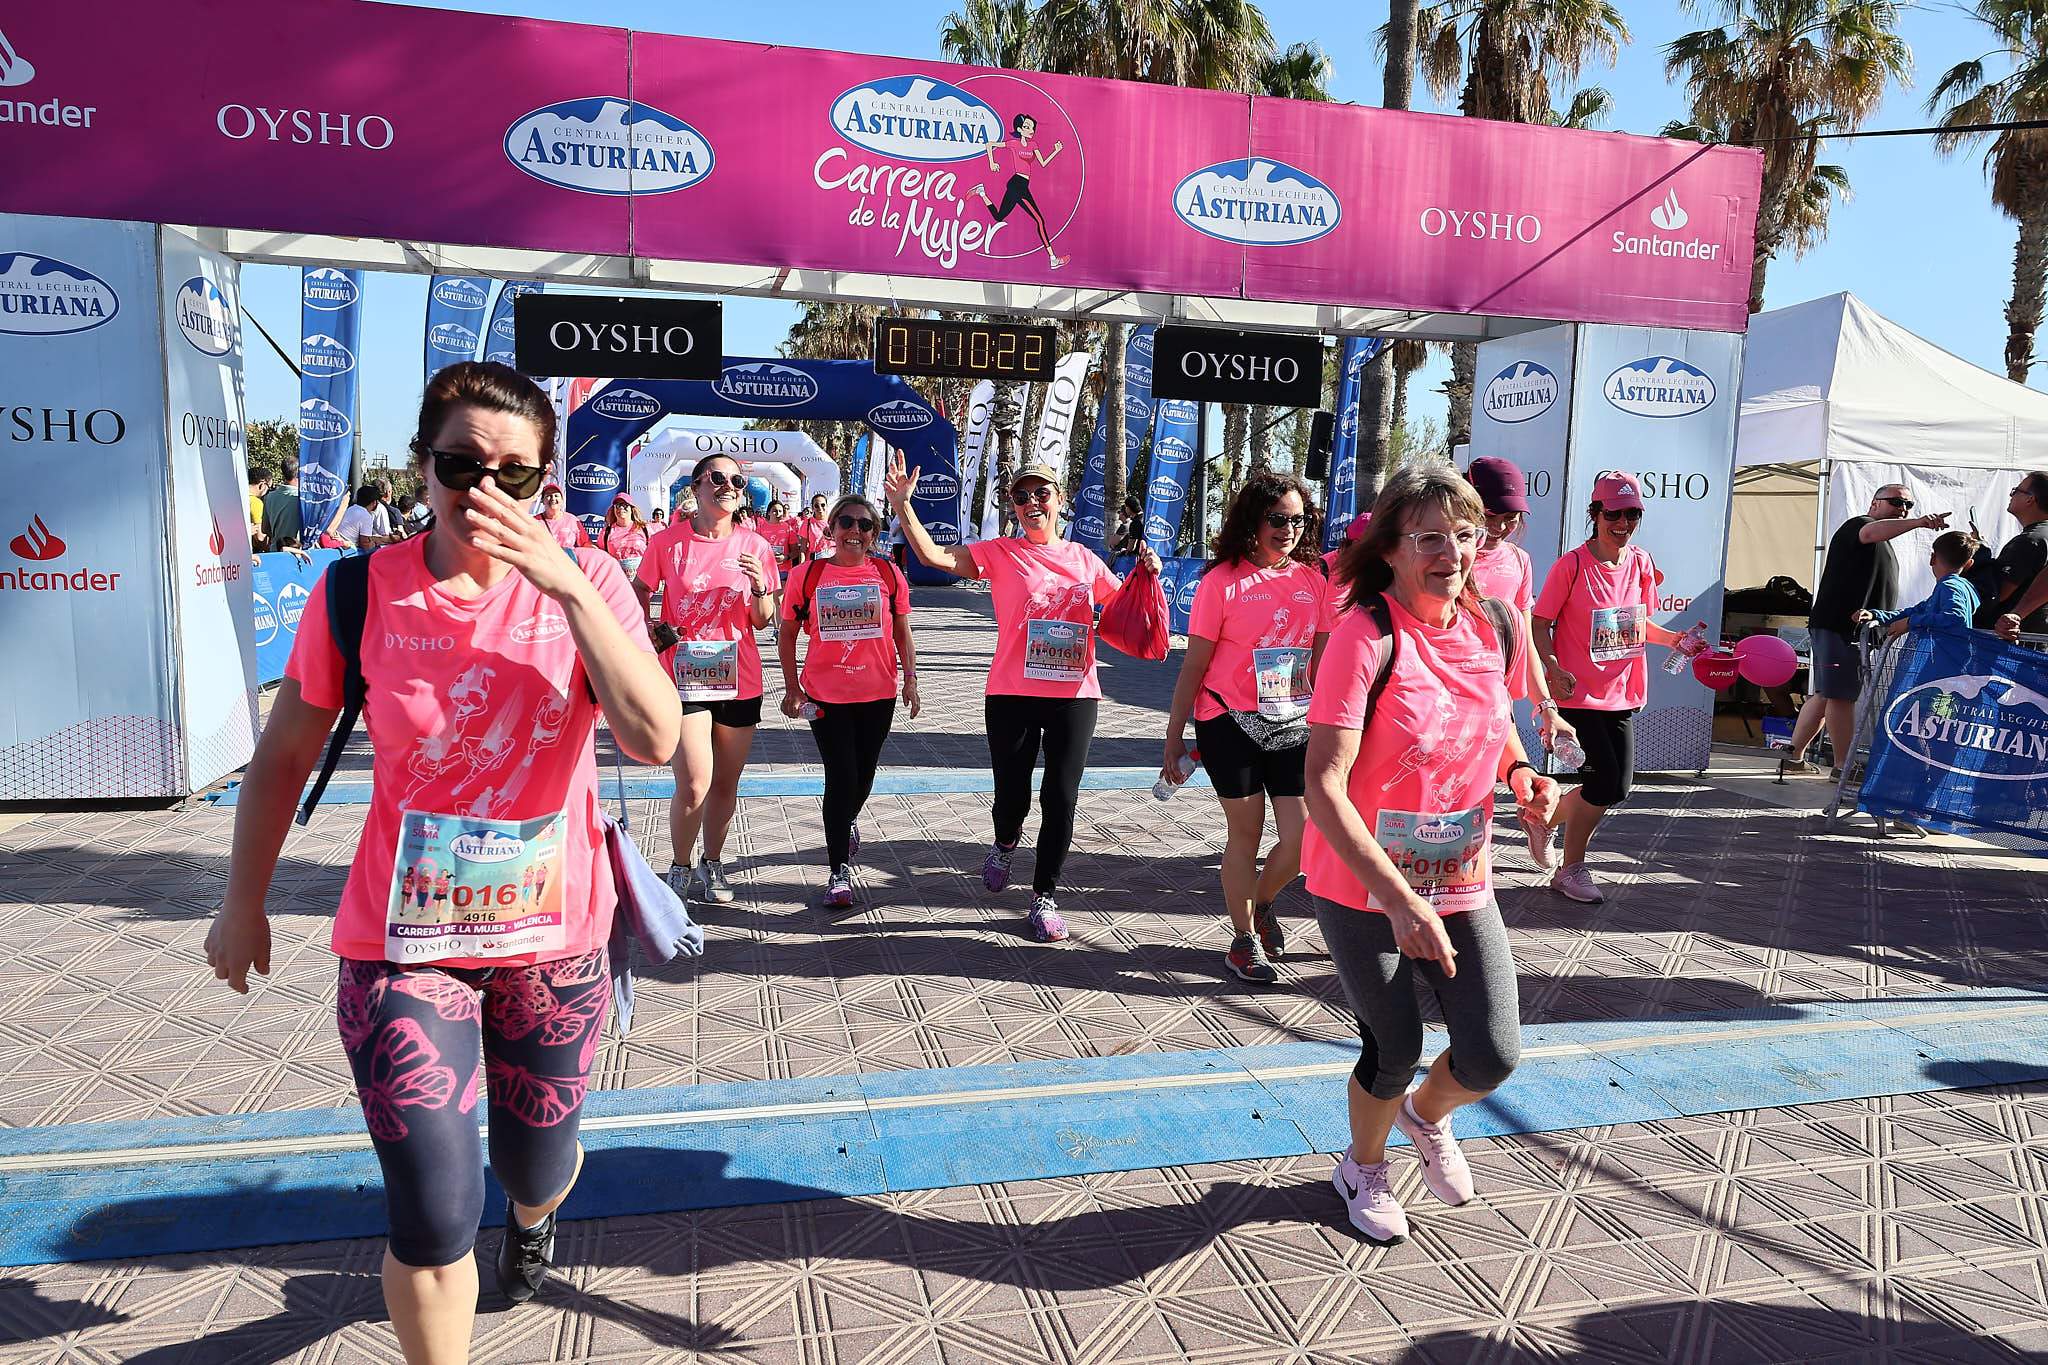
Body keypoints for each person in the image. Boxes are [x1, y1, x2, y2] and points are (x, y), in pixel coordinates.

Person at [205, 362, 680, 1361]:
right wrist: (239, 902)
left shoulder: (588, 582)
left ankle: (538, 1208)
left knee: (533, 1160)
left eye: (514, 474)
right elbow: (284, 755)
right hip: (401, 944)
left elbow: (655, 737)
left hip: (555, 941)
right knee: (430, 1212)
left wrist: (563, 584)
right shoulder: (357, 591)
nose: (484, 491)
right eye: (461, 464)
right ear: (422, 469)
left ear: (545, 485)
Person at [1303, 466, 1558, 1246]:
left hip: (1459, 873)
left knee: (1492, 1051)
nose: (1451, 552)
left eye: (1465, 534)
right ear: (1390, 549)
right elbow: (1322, 783)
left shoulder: (1497, 624)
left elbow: (1495, 716)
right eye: (1429, 538)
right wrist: (1398, 900)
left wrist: (1520, 774)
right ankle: (1363, 1165)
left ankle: (1424, 1116)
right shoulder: (1364, 634)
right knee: (1396, 1045)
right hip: (1362, 880)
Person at [886, 452, 1159, 941]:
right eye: (1021, 495)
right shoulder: (1000, 553)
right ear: (1012, 506)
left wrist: (1147, 575)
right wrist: (905, 506)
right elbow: (933, 557)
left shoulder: (1083, 559)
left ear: (1059, 501)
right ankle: (1005, 841)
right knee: (1012, 796)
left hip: (1075, 693)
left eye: (1042, 493)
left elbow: (1123, 612)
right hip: (1012, 691)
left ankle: (1044, 896)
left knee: (1061, 796)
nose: (1032, 501)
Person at [1161, 473, 1330, 984]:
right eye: (1277, 519)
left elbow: (1322, 665)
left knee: (1303, 837)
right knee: (1246, 834)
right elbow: (1194, 665)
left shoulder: (1313, 581)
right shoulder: (1221, 582)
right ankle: (1244, 940)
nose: (1288, 529)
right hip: (1227, 720)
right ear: (1252, 522)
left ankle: (1262, 901)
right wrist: (1174, 736)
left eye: (1297, 520)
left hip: (1293, 722)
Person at [1527, 472, 1691, 904]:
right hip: (1576, 693)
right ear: (1595, 514)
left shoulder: (1639, 562)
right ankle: (1570, 869)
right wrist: (1552, 666)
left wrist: (1676, 640)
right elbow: (1539, 623)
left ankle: (1545, 817)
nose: (1622, 522)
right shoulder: (1573, 565)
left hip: (1622, 691)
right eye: (1613, 513)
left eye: (1632, 514)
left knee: (1617, 787)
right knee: (1603, 785)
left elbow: (1638, 625)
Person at [635, 453, 778, 905]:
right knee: (695, 781)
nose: (729, 486)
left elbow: (762, 619)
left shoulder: (755, 545)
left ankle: (713, 862)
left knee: (724, 783)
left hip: (740, 678)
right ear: (695, 487)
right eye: (718, 478)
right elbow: (640, 589)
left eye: (737, 480)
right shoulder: (667, 542)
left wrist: (758, 588)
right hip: (684, 676)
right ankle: (680, 865)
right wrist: (646, 628)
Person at [777, 494, 920, 907]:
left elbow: (903, 633)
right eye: (846, 523)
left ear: (875, 534)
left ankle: (847, 819)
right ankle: (838, 870)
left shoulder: (889, 575)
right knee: (840, 777)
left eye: (865, 525)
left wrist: (910, 679)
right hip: (825, 695)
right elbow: (786, 635)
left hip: (878, 693)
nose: (855, 532)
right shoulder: (808, 574)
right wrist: (791, 687)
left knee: (863, 775)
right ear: (831, 529)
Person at [1781, 484, 1948, 777]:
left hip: (1844, 629)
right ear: (1875, 503)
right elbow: (1871, 532)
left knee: (1826, 693)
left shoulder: (1881, 539)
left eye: (1908, 505)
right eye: (1897, 502)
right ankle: (1843, 767)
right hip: (1840, 627)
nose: (1903, 509)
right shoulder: (1860, 525)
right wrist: (1921, 522)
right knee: (1841, 696)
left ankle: (1793, 757)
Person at [1464, 457, 1579, 867]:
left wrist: (1546, 707)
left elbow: (1527, 640)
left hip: (1496, 701)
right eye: (1493, 515)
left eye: (1513, 517)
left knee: (1490, 792)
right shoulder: (1446, 556)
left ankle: (1468, 884)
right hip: (1443, 699)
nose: (1503, 526)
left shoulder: (1518, 561)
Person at [971, 113, 1068, 269]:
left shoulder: (1033, 145)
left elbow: (1042, 163)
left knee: (999, 216)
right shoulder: (1013, 144)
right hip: (1017, 184)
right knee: (1039, 220)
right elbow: (990, 144)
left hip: (1021, 185)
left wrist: (1055, 151)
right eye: (1027, 127)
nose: (1031, 130)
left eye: (1032, 128)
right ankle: (1052, 259)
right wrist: (992, 162)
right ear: (1019, 129)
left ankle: (981, 192)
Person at [1871, 531, 1982, 639]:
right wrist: (1875, 615)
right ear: (1969, 564)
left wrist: (1910, 622)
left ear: (1932, 558)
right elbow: (1915, 611)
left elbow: (1955, 617)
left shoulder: (1949, 587)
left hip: (1943, 656)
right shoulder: (1959, 588)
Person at [1984, 472, 2048, 642]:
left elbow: (1998, 592)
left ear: (2030, 499)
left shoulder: (2030, 540)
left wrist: (1977, 560)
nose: (2011, 495)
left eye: (2016, 491)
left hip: (2016, 644)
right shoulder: (2039, 536)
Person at [598, 496, 649, 583]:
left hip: (641, 582)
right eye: (617, 506)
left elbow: (655, 552)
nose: (621, 508)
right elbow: (601, 555)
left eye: (624, 505)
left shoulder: (644, 528)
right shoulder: (606, 532)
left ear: (631, 508)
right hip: (617, 583)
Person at [261, 456, 305, 550]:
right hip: (298, 553)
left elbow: (265, 529)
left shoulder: (269, 497)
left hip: (275, 551)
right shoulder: (303, 499)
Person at [334, 485, 394, 551]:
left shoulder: (351, 508)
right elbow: (365, 545)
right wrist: (375, 544)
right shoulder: (366, 516)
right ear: (374, 502)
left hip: (340, 543)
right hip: (348, 549)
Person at [535, 483, 590, 550]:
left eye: (556, 495)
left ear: (561, 500)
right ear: (542, 501)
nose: (553, 498)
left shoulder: (572, 520)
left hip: (566, 559)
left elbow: (585, 543)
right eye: (548, 495)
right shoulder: (534, 521)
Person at [756, 500, 800, 579]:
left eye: (780, 511)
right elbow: (755, 548)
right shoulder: (761, 527)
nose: (778, 514)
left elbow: (795, 551)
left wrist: (786, 557)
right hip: (765, 568)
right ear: (768, 512)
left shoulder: (787, 528)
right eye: (774, 511)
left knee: (780, 591)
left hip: (783, 570)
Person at [248, 472, 271, 551]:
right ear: (262, 485)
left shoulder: (235, 499)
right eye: (269, 487)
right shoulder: (255, 503)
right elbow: (260, 537)